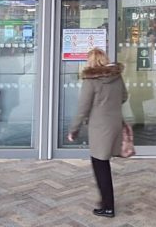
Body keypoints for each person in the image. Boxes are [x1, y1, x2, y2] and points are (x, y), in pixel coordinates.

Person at [68, 48, 128, 219]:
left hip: (99, 127)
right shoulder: (116, 76)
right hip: (115, 123)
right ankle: (106, 203)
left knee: (100, 165)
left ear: (91, 61)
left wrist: (74, 129)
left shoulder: (91, 80)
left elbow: (83, 108)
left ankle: (108, 206)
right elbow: (124, 96)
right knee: (104, 164)